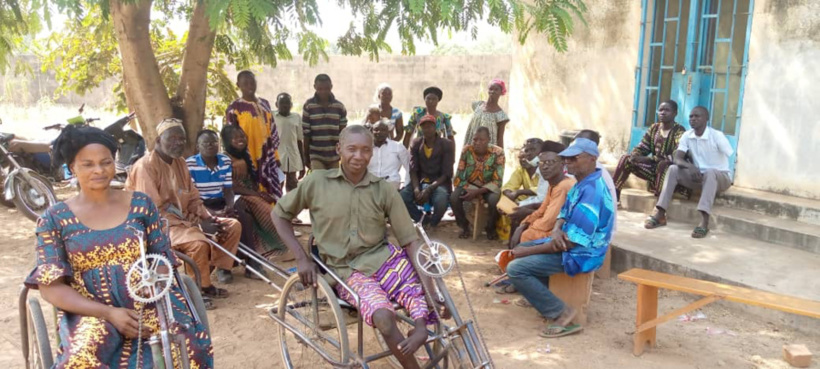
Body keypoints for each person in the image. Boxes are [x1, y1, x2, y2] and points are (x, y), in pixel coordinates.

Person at [26, 125, 212, 367]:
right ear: (72, 168)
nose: (99, 170)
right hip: (90, 311)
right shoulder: (54, 219)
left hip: (148, 301)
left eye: (105, 162)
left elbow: (163, 260)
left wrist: (153, 287)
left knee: (183, 347)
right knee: (83, 358)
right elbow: (51, 288)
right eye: (88, 164)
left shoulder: (141, 205)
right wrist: (109, 313)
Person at [271, 125, 446, 369]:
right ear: (338, 149)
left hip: (385, 260)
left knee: (428, 297)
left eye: (365, 150)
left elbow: (410, 240)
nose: (358, 156)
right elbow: (279, 215)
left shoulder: (383, 189)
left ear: (371, 153)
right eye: (351, 149)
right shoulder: (317, 183)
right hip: (346, 270)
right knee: (384, 318)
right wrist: (301, 257)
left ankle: (421, 327)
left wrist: (431, 294)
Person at [505, 137, 615, 338]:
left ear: (592, 159)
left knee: (516, 267)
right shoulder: (581, 184)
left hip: (583, 253)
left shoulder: (592, 192)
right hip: (569, 243)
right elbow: (563, 213)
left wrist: (527, 250)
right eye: (567, 159)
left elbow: (570, 243)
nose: (568, 162)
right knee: (525, 249)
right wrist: (556, 229)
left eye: (574, 158)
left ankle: (563, 315)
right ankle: (550, 298)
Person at [126, 118, 241, 300]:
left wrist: (207, 218)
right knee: (197, 242)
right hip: (159, 226)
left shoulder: (180, 162)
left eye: (181, 139)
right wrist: (198, 226)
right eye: (172, 138)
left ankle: (218, 271)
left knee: (231, 226)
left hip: (184, 221)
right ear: (158, 141)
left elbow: (193, 197)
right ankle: (199, 289)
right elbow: (151, 211)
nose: (178, 143)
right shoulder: (145, 167)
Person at [645, 106, 733, 238]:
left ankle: (704, 221)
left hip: (720, 177)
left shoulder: (716, 136)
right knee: (673, 169)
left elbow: (729, 154)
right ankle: (660, 214)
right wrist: (690, 167)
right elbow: (677, 158)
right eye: (691, 116)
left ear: (706, 119)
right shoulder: (687, 135)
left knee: (710, 172)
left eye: (697, 116)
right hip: (698, 176)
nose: (693, 119)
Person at [221, 124, 295, 263]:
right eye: (235, 138)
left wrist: (260, 193)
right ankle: (276, 249)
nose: (240, 139)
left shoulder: (245, 156)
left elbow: (250, 181)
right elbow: (230, 186)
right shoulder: (224, 158)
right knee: (266, 211)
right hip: (235, 195)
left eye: (242, 136)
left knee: (275, 208)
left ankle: (279, 247)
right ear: (226, 140)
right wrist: (255, 195)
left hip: (249, 192)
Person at [613, 100, 688, 201]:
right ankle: (614, 195)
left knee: (664, 164)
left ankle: (660, 203)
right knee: (626, 159)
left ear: (675, 113)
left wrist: (650, 159)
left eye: (667, 110)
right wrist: (635, 155)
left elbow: (675, 156)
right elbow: (643, 146)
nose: (663, 112)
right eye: (660, 110)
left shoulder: (680, 131)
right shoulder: (654, 128)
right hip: (653, 170)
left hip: (670, 172)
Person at [226, 70, 284, 199]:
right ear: (238, 85)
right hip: (247, 156)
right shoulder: (234, 107)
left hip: (267, 155)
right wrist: (236, 159)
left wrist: (275, 156)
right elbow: (229, 137)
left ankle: (272, 216)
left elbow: (272, 130)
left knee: (273, 189)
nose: (249, 86)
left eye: (252, 82)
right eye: (245, 83)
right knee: (254, 191)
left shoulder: (265, 104)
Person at [510, 141, 575, 246]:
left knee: (527, 235)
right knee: (523, 229)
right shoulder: (553, 184)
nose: (544, 167)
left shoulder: (564, 186)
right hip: (553, 231)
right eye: (541, 162)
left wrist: (526, 227)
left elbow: (548, 222)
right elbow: (541, 211)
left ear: (562, 164)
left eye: (550, 162)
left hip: (565, 237)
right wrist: (523, 224)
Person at [400, 114, 456, 228]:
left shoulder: (447, 144)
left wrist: (429, 189)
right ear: (421, 128)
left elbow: (447, 173)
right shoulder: (416, 143)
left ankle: (434, 222)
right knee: (403, 197)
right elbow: (413, 169)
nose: (427, 129)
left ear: (435, 127)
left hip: (439, 182)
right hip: (420, 180)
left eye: (430, 126)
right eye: (424, 127)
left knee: (441, 200)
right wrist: (416, 189)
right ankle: (423, 219)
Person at [451, 126, 505, 240]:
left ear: (488, 140)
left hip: (488, 187)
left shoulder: (498, 153)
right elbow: (459, 176)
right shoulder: (467, 150)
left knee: (494, 200)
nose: (477, 143)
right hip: (469, 185)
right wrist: (468, 188)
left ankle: (490, 228)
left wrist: (477, 192)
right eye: (475, 139)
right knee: (454, 197)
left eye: (481, 140)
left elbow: (497, 180)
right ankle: (464, 226)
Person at [302, 73, 348, 170]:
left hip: (335, 156)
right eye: (320, 89)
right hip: (316, 155)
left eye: (327, 88)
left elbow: (343, 133)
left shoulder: (339, 107)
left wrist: (343, 154)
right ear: (315, 87)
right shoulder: (309, 106)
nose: (323, 92)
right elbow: (306, 133)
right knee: (319, 181)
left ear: (331, 87)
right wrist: (305, 157)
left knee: (333, 183)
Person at [186, 129, 236, 216]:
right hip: (200, 202)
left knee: (241, 213)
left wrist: (230, 206)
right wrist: (212, 213)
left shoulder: (225, 161)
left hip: (220, 200)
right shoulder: (190, 164)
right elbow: (192, 197)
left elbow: (228, 189)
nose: (210, 145)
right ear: (197, 147)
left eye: (214, 142)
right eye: (205, 143)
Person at [462, 79, 510, 149]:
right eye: (491, 89)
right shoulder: (478, 105)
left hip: (487, 150)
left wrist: (500, 155)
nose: (492, 92)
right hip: (471, 144)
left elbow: (500, 138)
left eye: (496, 89)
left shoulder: (501, 116)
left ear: (501, 92)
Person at [274, 92, 306, 193]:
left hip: (293, 156)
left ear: (291, 105)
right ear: (276, 104)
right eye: (282, 102)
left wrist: (303, 163)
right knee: (278, 184)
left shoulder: (296, 117)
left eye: (287, 103)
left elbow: (299, 141)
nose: (285, 105)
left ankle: (292, 207)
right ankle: (278, 207)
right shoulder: (271, 117)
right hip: (277, 158)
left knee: (292, 185)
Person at [369, 120, 410, 190]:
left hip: (391, 182)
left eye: (383, 130)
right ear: (371, 131)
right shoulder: (366, 148)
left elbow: (408, 167)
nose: (379, 132)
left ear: (388, 132)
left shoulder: (397, 146)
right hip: (370, 184)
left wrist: (405, 185)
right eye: (376, 130)